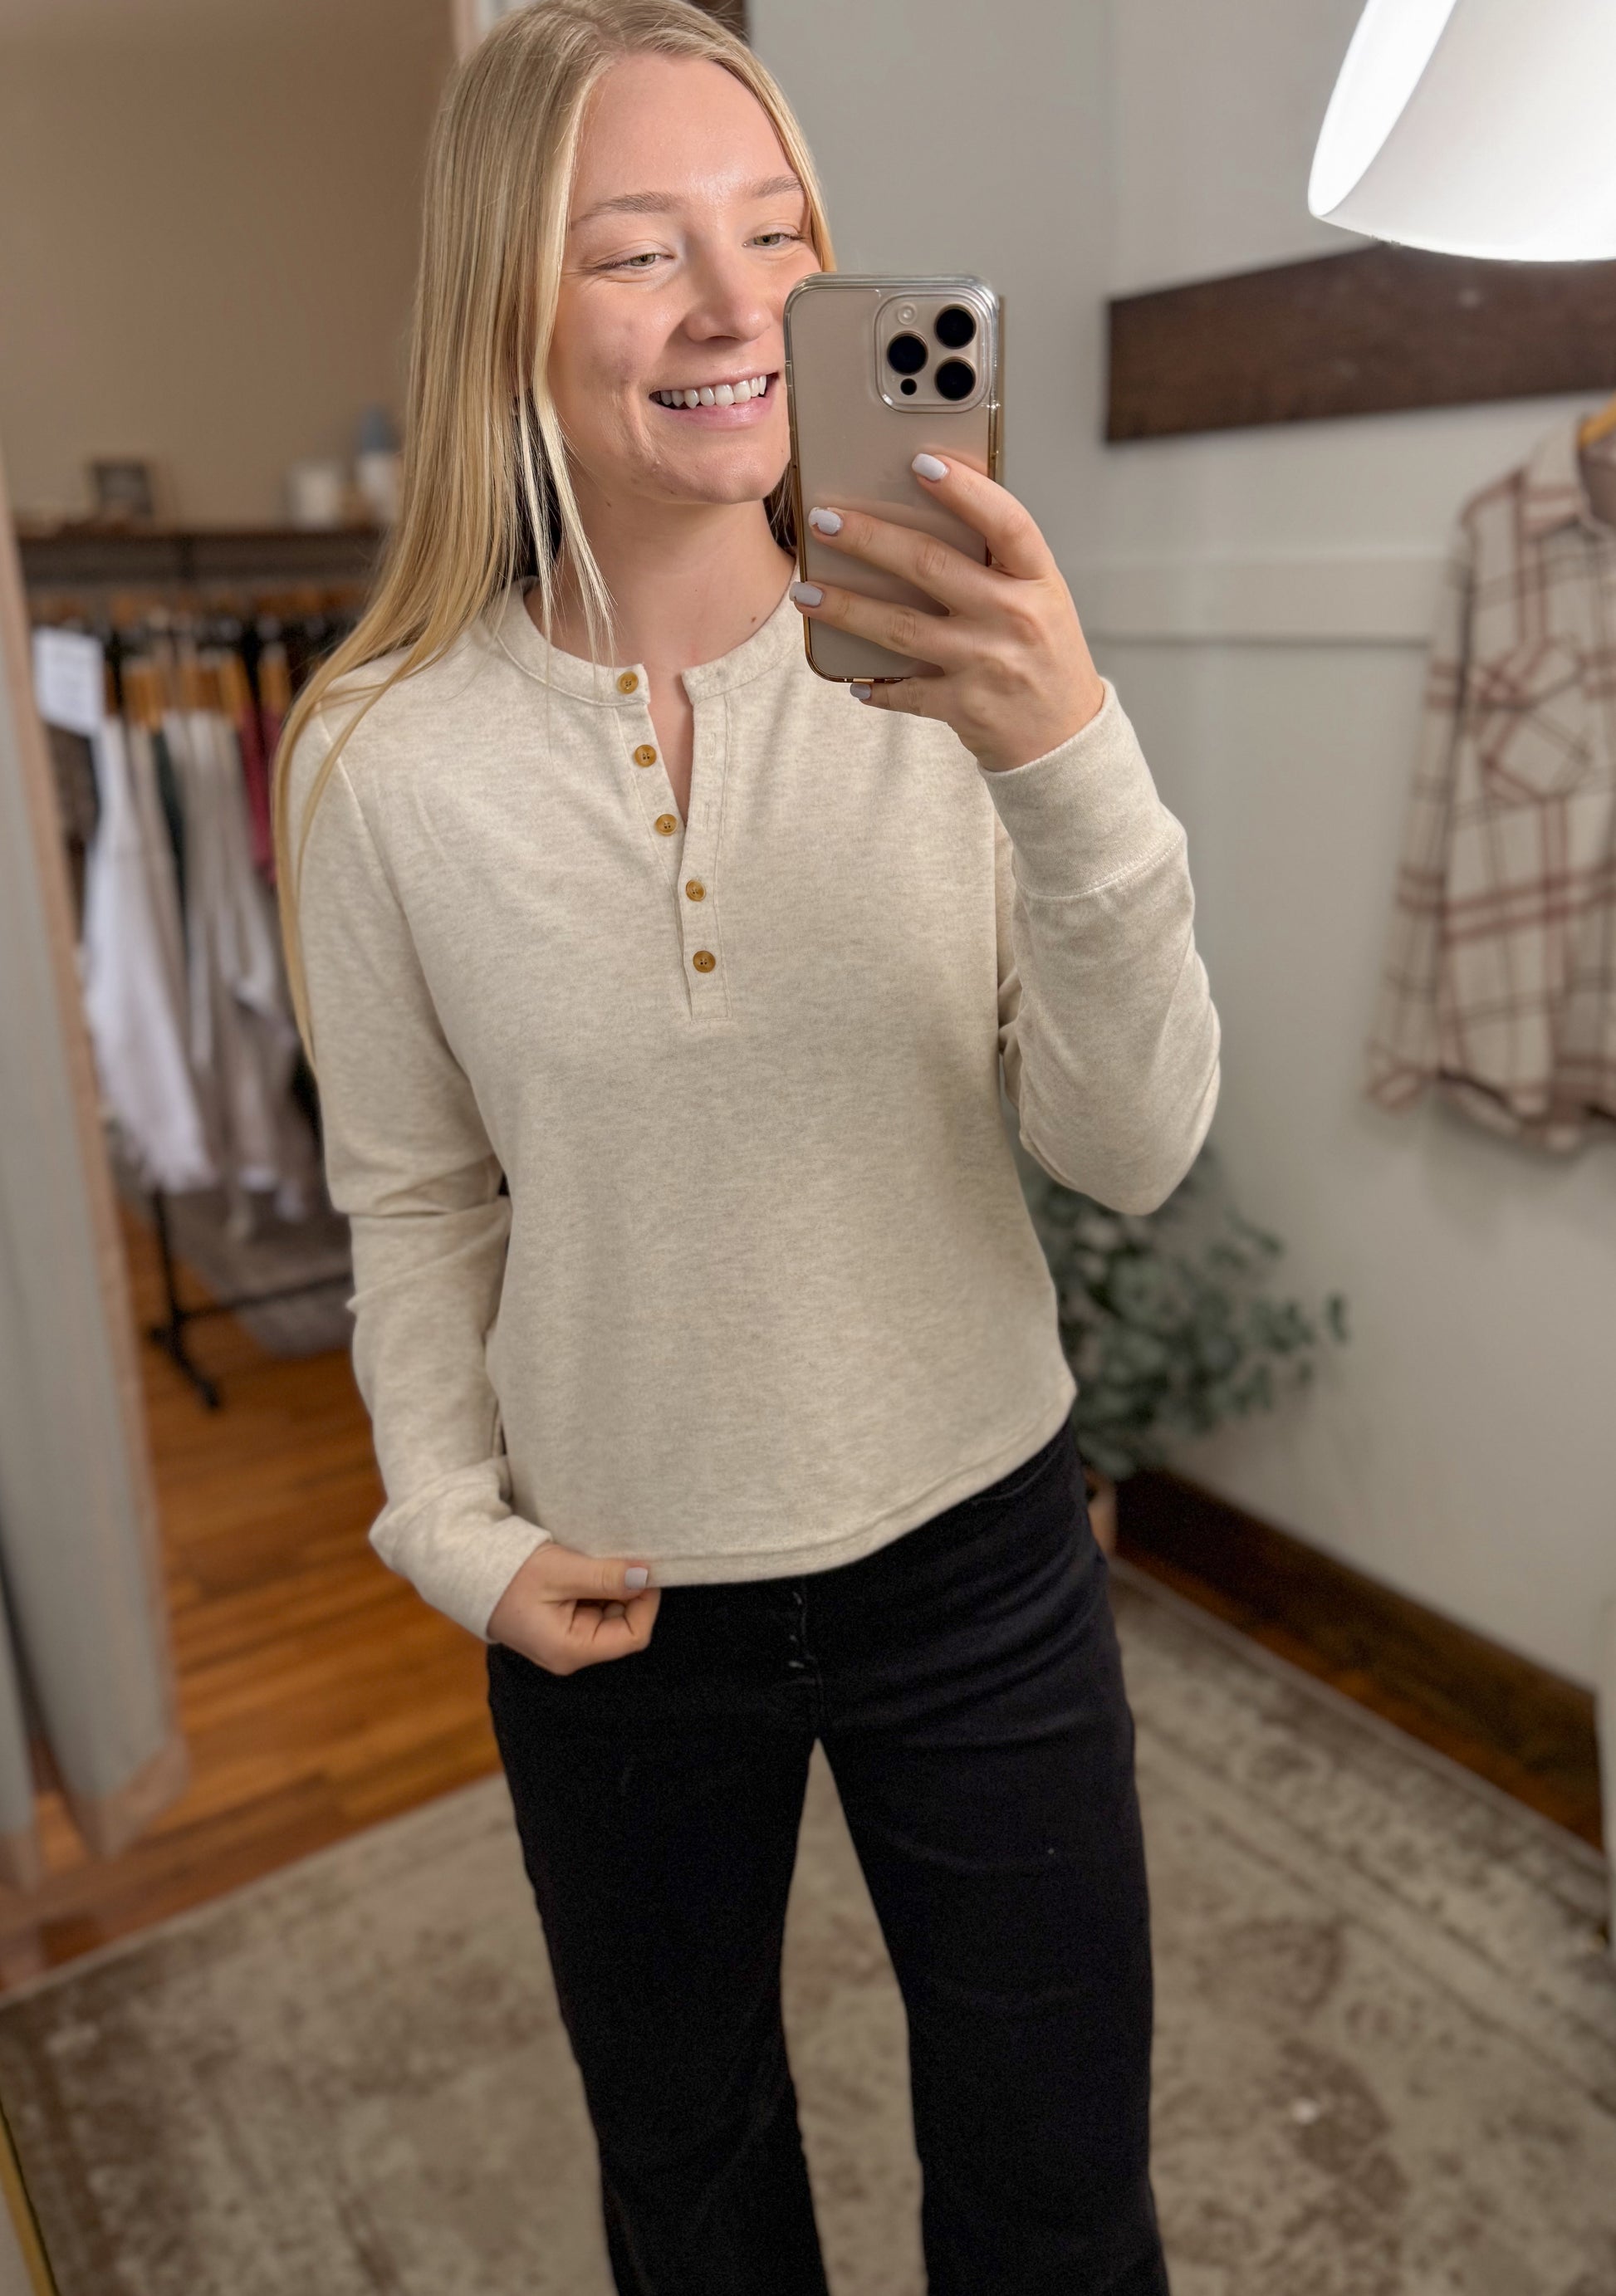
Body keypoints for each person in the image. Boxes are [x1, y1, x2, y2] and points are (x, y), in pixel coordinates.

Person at [273, 3, 1220, 2289]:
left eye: (776, 234)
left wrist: (1068, 762)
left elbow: (1133, 1150)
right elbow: (415, 1196)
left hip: (979, 1557)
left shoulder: (970, 683)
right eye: (636, 252)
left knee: (1060, 2192)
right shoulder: (379, 762)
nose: (731, 309)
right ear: (507, 304)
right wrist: (449, 1528)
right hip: (611, 1596)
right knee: (689, 2184)